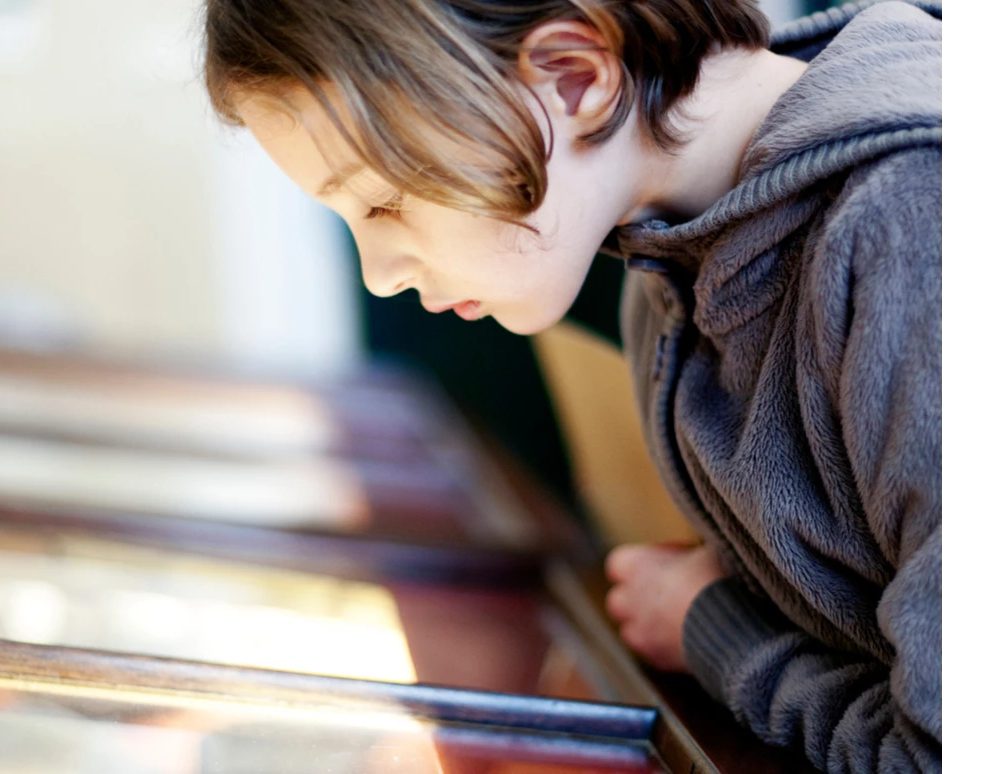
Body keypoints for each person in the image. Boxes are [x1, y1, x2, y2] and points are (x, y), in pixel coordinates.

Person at [199, 0, 942, 771]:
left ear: (572, 77)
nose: (379, 276)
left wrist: (717, 635)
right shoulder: (662, 264)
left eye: (384, 202)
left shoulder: (911, 230)